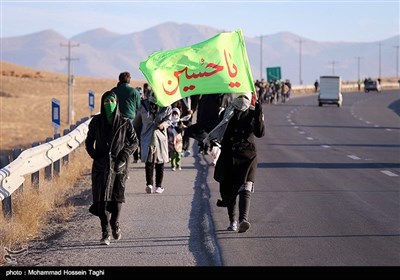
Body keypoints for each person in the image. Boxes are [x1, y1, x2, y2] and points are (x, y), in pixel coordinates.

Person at [204, 92, 265, 233]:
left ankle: (244, 219)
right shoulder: (227, 112)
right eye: (240, 97)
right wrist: (213, 144)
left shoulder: (253, 112)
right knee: (229, 190)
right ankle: (233, 221)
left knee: (245, 187)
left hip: (247, 156)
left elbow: (260, 132)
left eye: (245, 98)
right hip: (229, 156)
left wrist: (259, 111)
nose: (242, 100)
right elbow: (217, 129)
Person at [85, 91, 139, 245]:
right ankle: (105, 232)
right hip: (101, 167)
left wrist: (124, 155)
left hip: (118, 166)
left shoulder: (125, 122)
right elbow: (89, 142)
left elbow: (134, 142)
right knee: (101, 201)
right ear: (102, 103)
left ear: (116, 103)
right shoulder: (96, 121)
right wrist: (95, 155)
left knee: (116, 200)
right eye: (106, 101)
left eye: (111, 101)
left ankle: (114, 223)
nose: (109, 104)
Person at [134, 93, 172, 194]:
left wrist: (163, 125)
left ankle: (150, 184)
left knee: (151, 162)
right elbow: (137, 122)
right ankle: (156, 186)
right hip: (152, 137)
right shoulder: (145, 105)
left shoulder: (165, 105)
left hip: (154, 138)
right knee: (155, 162)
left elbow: (136, 123)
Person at [111, 72, 141, 163]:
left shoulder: (114, 91)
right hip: (131, 120)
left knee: (117, 142)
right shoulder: (134, 92)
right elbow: (138, 106)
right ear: (128, 79)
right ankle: (132, 159)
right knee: (132, 141)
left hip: (116, 120)